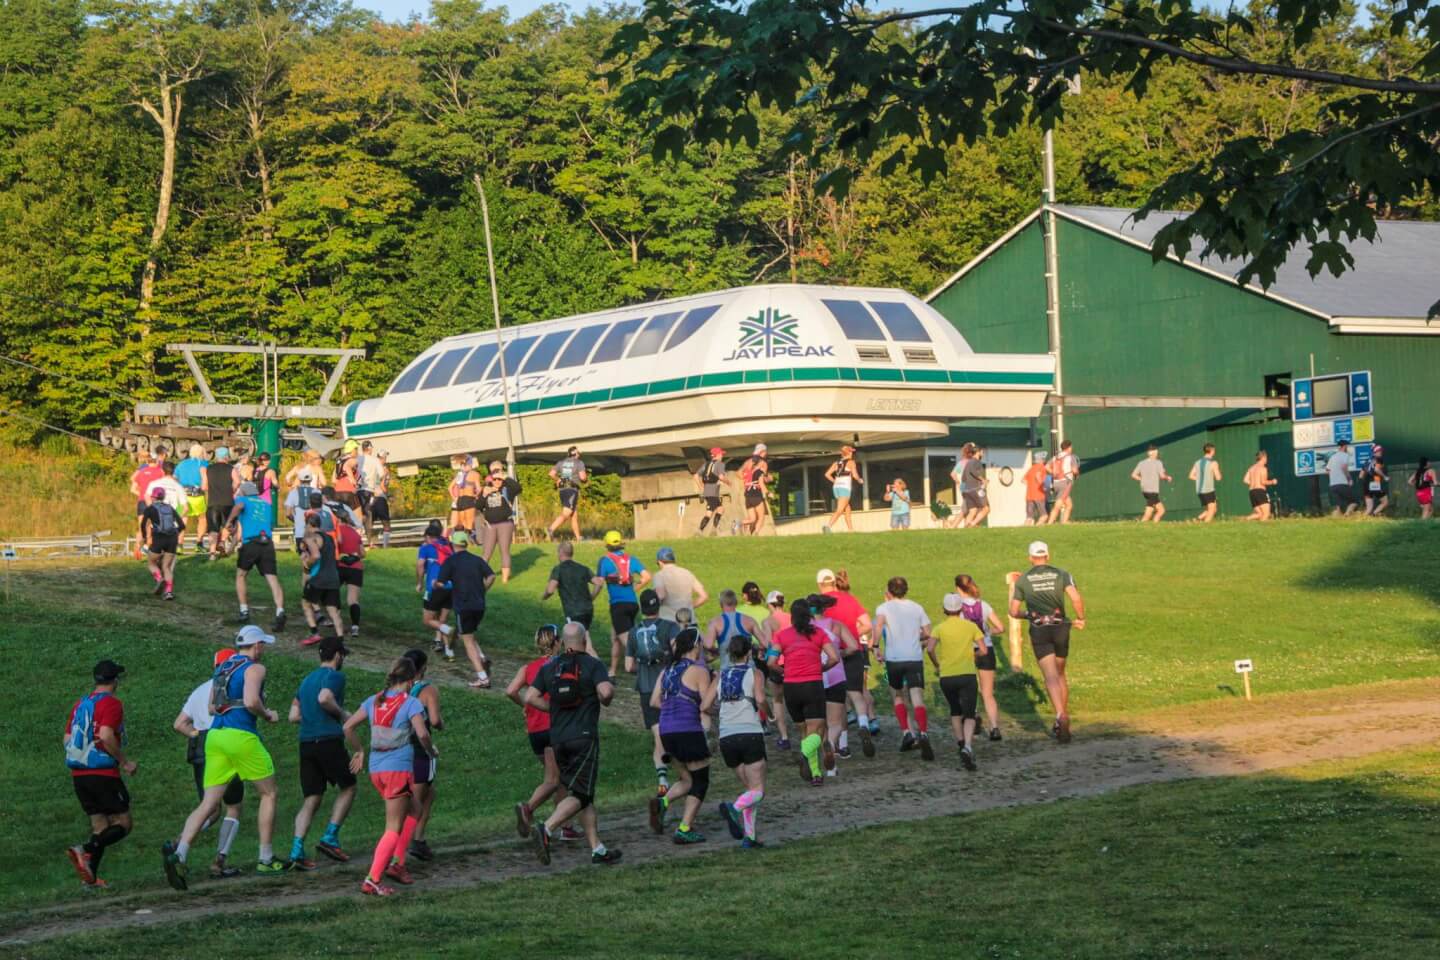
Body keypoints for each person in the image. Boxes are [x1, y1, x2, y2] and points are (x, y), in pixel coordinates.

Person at [163, 627, 284, 890]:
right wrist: (267, 714)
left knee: (209, 803)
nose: (263, 649)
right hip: (240, 736)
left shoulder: (223, 668)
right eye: (263, 644)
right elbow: (251, 701)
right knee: (269, 793)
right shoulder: (255, 668)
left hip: (214, 737)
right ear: (256, 645)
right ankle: (266, 857)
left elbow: (211, 707)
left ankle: (180, 853)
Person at [522, 623, 623, 866]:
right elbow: (606, 692)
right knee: (581, 793)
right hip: (583, 737)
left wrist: (554, 709)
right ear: (584, 641)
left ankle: (597, 849)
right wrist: (605, 695)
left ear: (563, 642)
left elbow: (530, 696)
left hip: (557, 739)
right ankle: (546, 828)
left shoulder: (550, 666)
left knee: (582, 793)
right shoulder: (592, 664)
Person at [343, 657, 437, 896]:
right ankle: (373, 879)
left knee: (415, 809)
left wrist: (359, 750)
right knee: (393, 827)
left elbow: (348, 727)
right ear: (411, 679)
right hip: (397, 770)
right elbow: (423, 734)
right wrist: (430, 750)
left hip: (377, 768)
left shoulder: (374, 700)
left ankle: (397, 863)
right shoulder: (411, 703)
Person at [173, 648, 246, 880]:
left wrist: (197, 735)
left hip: (200, 748)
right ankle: (219, 861)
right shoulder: (232, 686)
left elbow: (179, 724)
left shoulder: (200, 690)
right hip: (224, 742)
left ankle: (179, 846)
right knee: (233, 805)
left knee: (209, 808)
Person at [286, 637, 357, 871]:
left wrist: (312, 718)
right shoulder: (334, 676)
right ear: (337, 655)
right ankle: (330, 837)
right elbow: (325, 698)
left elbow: (293, 716)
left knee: (312, 797)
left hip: (306, 742)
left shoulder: (306, 680)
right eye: (342, 655)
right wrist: (343, 715)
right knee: (349, 786)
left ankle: (297, 849)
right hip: (328, 740)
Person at [65, 660, 135, 888]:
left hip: (79, 775)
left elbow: (67, 738)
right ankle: (85, 850)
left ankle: (90, 879)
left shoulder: (80, 704)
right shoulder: (111, 704)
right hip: (103, 774)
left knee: (100, 826)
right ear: (115, 680)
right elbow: (105, 735)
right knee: (123, 823)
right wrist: (124, 762)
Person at [1010, 541, 1087, 745]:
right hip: (1061, 627)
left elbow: (1013, 611)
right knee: (1061, 673)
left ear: (1030, 558)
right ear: (1048, 555)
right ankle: (1064, 713)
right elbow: (1075, 598)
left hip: (1040, 630)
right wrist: (1080, 618)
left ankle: (1060, 715)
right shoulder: (1062, 574)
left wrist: (1028, 614)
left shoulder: (1023, 580)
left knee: (1050, 675)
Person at [648, 627, 714, 843]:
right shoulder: (699, 671)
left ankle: (662, 803)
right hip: (688, 730)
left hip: (666, 731)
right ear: (696, 645)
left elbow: (654, 701)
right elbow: (706, 705)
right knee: (700, 781)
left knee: (686, 779)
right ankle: (684, 829)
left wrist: (673, 707)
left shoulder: (667, 670)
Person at [766, 600, 841, 786]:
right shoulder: (819, 633)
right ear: (809, 616)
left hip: (791, 688)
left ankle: (816, 773)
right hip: (812, 686)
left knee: (804, 732)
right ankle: (804, 754)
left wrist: (785, 672)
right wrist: (821, 669)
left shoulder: (782, 635)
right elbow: (834, 658)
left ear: (792, 616)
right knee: (817, 731)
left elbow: (771, 662)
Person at [508, 626, 567, 840]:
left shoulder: (528, 668)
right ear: (557, 642)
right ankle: (528, 808)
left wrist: (525, 706)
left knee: (561, 778)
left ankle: (566, 826)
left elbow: (510, 690)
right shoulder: (560, 665)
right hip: (553, 728)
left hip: (535, 732)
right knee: (553, 780)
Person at [714, 634, 768, 847]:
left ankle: (749, 837)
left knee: (750, 789)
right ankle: (733, 809)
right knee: (758, 790)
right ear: (749, 653)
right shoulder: (755, 673)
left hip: (726, 737)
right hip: (749, 732)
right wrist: (770, 714)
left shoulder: (721, 675)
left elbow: (705, 705)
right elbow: (761, 699)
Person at [628, 589, 681, 798]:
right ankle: (681, 770)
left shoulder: (634, 631)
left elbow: (628, 665)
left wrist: (643, 668)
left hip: (646, 687)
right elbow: (678, 653)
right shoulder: (670, 627)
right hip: (669, 685)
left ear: (641, 607)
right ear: (658, 606)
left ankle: (662, 779)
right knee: (675, 728)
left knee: (658, 731)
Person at [874, 576, 934, 760]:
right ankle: (923, 732)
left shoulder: (883, 608)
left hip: (894, 659)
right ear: (906, 590)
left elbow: (878, 627)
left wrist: (876, 647)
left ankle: (907, 732)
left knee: (898, 696)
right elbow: (928, 633)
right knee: (917, 697)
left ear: (889, 591)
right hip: (914, 658)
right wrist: (916, 637)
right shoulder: (917, 607)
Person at [817, 568, 877, 745]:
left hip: (832, 655)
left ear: (819, 584)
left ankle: (843, 744)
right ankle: (864, 723)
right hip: (854, 651)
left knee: (839, 700)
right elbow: (867, 624)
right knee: (856, 693)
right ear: (834, 582)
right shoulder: (850, 599)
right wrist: (851, 634)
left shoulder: (821, 604)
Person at [928, 593, 986, 770]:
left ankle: (960, 744)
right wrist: (974, 656)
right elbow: (983, 650)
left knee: (955, 711)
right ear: (961, 609)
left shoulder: (939, 628)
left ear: (944, 609)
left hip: (947, 676)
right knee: (969, 714)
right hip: (967, 674)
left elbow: (929, 648)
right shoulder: (970, 626)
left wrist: (937, 664)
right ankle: (968, 746)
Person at [436, 530, 496, 688]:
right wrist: (483, 590)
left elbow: (441, 583)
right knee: (468, 634)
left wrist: (436, 584)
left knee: (467, 641)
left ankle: (483, 678)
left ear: (453, 544)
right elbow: (492, 576)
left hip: (463, 606)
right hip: (479, 606)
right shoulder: (477, 560)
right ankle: (482, 658)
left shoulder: (451, 561)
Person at [399, 648, 443, 861]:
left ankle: (419, 839)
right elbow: (434, 720)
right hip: (419, 750)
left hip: (399, 751)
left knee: (429, 794)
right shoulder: (427, 690)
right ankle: (402, 850)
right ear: (423, 667)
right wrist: (440, 724)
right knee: (415, 802)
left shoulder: (398, 689)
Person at [954, 574, 1006, 740]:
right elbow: (1001, 627)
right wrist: (987, 632)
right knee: (988, 693)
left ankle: (972, 718)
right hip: (986, 649)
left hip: (967, 650)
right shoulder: (983, 605)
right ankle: (994, 727)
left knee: (968, 690)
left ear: (957, 588)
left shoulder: (957, 608)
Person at [229, 480, 286, 632]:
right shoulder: (266, 504)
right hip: (267, 543)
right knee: (272, 578)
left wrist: (229, 521)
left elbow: (239, 507)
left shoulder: (242, 500)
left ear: (243, 492)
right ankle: (280, 611)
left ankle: (244, 611)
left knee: (241, 575)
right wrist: (230, 548)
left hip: (251, 543)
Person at [810, 593, 858, 773]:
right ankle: (831, 746)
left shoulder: (806, 628)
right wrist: (839, 653)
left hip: (815, 676)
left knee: (820, 722)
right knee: (835, 723)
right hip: (836, 675)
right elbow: (853, 646)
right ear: (824, 608)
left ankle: (826, 759)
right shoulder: (836, 625)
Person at [594, 530, 652, 677]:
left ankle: (648, 665)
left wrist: (591, 597)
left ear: (607, 544)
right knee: (615, 638)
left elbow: (599, 583)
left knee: (626, 641)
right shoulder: (631, 559)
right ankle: (612, 671)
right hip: (632, 604)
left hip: (618, 606)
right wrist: (635, 588)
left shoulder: (604, 560)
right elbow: (647, 577)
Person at [300, 513, 344, 648]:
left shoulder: (310, 537)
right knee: (332, 610)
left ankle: (315, 634)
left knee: (306, 603)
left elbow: (316, 555)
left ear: (309, 524)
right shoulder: (330, 538)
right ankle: (340, 640)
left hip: (318, 578)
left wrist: (307, 565)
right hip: (333, 578)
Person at [416, 520, 455, 660]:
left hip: (434, 587)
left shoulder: (426, 548)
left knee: (428, 620)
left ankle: (448, 630)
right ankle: (449, 652)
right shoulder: (449, 546)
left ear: (427, 536)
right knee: (441, 620)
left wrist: (419, 582)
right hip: (451, 587)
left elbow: (420, 565)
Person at [759, 590, 792, 749]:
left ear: (770, 605)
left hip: (777, 663)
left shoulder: (768, 621)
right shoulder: (792, 618)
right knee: (794, 698)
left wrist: (761, 652)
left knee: (778, 700)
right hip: (793, 661)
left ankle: (784, 737)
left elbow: (766, 643)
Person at [478, 460, 521, 583]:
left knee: (504, 550)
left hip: (505, 523)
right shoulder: (487, 488)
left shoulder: (507, 488)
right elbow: (478, 506)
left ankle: (505, 580)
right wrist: (484, 495)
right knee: (487, 552)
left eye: (499, 476)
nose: (497, 480)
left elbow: (518, 488)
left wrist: (504, 477)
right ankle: (479, 576)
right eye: (494, 475)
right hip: (490, 525)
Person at [543, 541, 601, 629]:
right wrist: (591, 598)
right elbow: (598, 583)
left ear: (561, 552)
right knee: (585, 632)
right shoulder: (583, 568)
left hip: (573, 611)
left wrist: (544, 596)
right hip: (588, 610)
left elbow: (550, 590)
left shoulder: (558, 569)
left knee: (573, 635)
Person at [141, 487, 184, 601]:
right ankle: (168, 592)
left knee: (151, 563)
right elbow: (182, 525)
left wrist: (145, 537)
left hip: (159, 538)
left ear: (153, 497)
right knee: (166, 567)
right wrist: (175, 533)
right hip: (172, 539)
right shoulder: (170, 508)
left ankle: (160, 579)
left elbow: (143, 525)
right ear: (163, 497)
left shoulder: (150, 509)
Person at [653, 545, 709, 625]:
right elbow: (704, 596)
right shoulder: (687, 573)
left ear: (660, 562)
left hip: (669, 622)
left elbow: (661, 595)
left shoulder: (659, 575)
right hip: (689, 621)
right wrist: (689, 607)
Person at [129, 450, 165, 560]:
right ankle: (150, 548)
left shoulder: (141, 472)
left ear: (148, 461)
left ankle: (137, 547)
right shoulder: (160, 472)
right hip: (154, 502)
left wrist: (143, 494)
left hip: (142, 502)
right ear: (156, 460)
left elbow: (132, 489)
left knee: (143, 527)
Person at [175, 444, 209, 552]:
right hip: (197, 494)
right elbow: (205, 478)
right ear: (201, 453)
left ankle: (179, 545)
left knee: (183, 518)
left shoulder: (181, 464)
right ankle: (199, 543)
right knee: (202, 518)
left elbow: (175, 478)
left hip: (183, 494)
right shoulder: (203, 463)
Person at [204, 447, 236, 559]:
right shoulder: (231, 468)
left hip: (213, 502)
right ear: (226, 457)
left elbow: (205, 486)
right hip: (228, 502)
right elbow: (237, 482)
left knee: (213, 529)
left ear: (216, 457)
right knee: (227, 524)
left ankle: (212, 553)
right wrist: (232, 489)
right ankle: (222, 542)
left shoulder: (209, 469)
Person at [822, 444, 862, 532]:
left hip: (836, 488)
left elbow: (827, 474)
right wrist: (860, 480)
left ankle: (850, 529)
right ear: (849, 453)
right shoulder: (851, 462)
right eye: (851, 452)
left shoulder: (836, 463)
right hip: (844, 487)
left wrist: (834, 481)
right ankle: (828, 526)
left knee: (847, 508)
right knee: (840, 509)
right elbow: (855, 475)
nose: (852, 453)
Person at [361, 446, 393, 548]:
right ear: (382, 458)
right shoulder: (384, 470)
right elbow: (383, 486)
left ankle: (370, 544)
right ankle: (385, 546)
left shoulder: (370, 466)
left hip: (369, 497)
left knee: (369, 522)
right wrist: (388, 495)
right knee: (386, 523)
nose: (385, 459)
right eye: (384, 457)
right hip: (380, 497)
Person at [1131, 444, 1172, 522]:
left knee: (1161, 510)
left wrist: (1143, 480)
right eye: (1156, 452)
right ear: (1155, 452)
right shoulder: (1158, 462)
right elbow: (1162, 476)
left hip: (1145, 491)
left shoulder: (1141, 463)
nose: (1157, 453)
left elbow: (1133, 475)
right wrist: (1168, 477)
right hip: (1152, 491)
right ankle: (1142, 525)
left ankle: (1154, 526)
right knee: (1148, 514)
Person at [693, 446, 729, 534]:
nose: (722, 456)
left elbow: (696, 476)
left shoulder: (706, 464)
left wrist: (701, 486)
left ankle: (713, 531)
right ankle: (699, 531)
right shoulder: (720, 464)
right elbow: (721, 477)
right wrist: (728, 482)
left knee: (720, 509)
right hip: (712, 492)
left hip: (708, 491)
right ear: (717, 455)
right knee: (709, 513)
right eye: (721, 454)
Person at [740, 443, 769, 535]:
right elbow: (762, 480)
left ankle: (739, 523)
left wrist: (747, 482)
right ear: (762, 452)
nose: (766, 453)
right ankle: (756, 534)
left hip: (747, 493)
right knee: (761, 517)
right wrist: (768, 491)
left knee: (752, 519)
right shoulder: (763, 464)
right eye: (765, 452)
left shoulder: (747, 462)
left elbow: (739, 474)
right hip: (756, 493)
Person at [1189, 443, 1222, 522]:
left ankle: (1196, 520)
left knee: (1214, 509)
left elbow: (1191, 476)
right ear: (1212, 451)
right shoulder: (1213, 463)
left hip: (1199, 490)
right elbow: (1218, 478)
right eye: (1214, 450)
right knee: (1212, 509)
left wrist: (1200, 479)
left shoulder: (1197, 462)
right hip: (1208, 489)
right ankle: (1206, 525)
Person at [1047, 441, 1079, 524]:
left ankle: (1064, 522)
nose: (1071, 448)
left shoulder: (1055, 457)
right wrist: (1076, 475)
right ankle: (1049, 523)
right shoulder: (1071, 457)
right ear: (1068, 447)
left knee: (1069, 505)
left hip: (1056, 482)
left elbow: (1046, 467)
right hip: (1066, 482)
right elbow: (1075, 470)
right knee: (1058, 504)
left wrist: (1054, 473)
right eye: (1071, 447)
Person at [448, 454, 480, 535]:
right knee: (469, 524)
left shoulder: (459, 475)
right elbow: (478, 488)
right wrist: (476, 496)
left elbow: (450, 488)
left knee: (462, 523)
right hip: (468, 498)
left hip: (460, 499)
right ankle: (469, 539)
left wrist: (454, 498)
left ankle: (463, 538)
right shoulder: (474, 474)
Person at [960, 444, 991, 528]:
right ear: (978, 452)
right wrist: (983, 480)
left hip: (967, 490)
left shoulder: (968, 462)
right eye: (982, 451)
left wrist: (964, 491)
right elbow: (973, 471)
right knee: (986, 509)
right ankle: (972, 524)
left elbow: (963, 478)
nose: (983, 453)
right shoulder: (976, 461)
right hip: (976, 489)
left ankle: (966, 529)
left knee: (972, 511)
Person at [1242, 451, 1279, 521]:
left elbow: (1245, 480)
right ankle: (1262, 527)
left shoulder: (1251, 468)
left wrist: (1254, 483)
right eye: (1266, 458)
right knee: (1266, 514)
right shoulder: (1263, 468)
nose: (1267, 460)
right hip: (1260, 491)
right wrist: (1272, 482)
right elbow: (1263, 482)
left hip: (1252, 492)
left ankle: (1245, 520)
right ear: (1263, 458)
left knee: (1260, 514)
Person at [1326, 440, 1358, 515]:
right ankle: (1347, 515)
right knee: (1354, 502)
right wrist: (1349, 479)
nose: (1347, 448)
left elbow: (1327, 470)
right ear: (1344, 446)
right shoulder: (1345, 455)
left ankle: (1337, 517)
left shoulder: (1332, 457)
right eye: (1347, 446)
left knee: (1339, 505)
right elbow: (1344, 467)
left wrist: (1333, 478)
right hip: (1342, 483)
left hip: (1333, 485)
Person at [332, 441, 361, 513]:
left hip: (337, 492)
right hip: (348, 492)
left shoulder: (339, 461)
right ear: (352, 450)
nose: (357, 451)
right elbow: (347, 467)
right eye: (356, 449)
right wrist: (354, 481)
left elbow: (333, 480)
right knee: (358, 516)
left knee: (343, 516)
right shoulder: (352, 460)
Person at [1023, 451, 1050, 526]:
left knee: (1029, 517)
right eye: (1044, 459)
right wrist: (1043, 486)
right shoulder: (1041, 467)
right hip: (1039, 494)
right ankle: (1037, 526)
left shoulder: (1032, 468)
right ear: (1042, 460)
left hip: (1029, 496)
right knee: (1044, 515)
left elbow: (1023, 480)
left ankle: (1025, 528)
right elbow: (1038, 476)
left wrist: (1031, 485)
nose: (1044, 460)